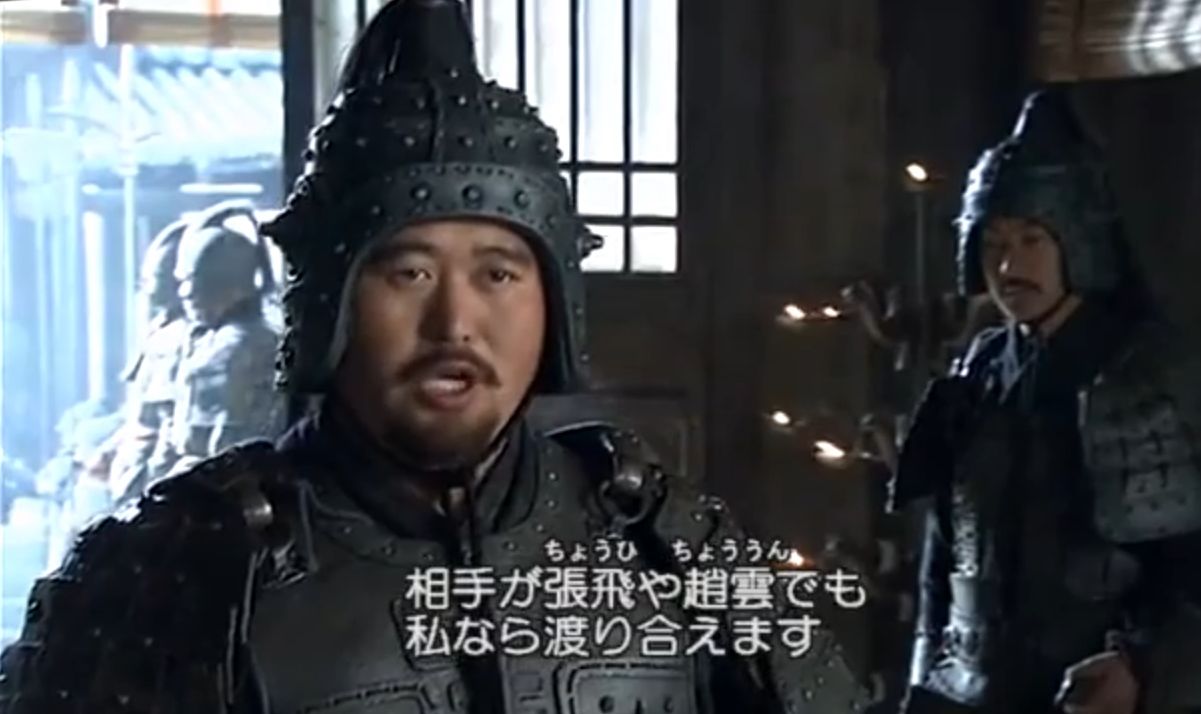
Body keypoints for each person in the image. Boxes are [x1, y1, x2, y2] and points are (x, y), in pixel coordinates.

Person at [0, 2, 870, 712]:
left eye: (499, 273)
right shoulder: (183, 566)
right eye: (408, 272)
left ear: (554, 302)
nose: (456, 322)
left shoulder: (666, 542)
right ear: (331, 299)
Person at [890, 90, 1201, 714]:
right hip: (971, 693)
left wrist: (1141, 664)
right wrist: (924, 686)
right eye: (994, 244)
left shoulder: (1154, 374)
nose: (1008, 266)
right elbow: (944, 558)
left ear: (1078, 242)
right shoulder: (977, 372)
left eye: (1031, 240)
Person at [147, 199, 285, 482]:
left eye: (196, 283)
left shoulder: (234, 349)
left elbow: (217, 447)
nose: (186, 295)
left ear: (231, 285)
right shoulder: (219, 341)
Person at [102, 217, 190, 503]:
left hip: (151, 479)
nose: (149, 288)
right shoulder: (161, 331)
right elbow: (139, 414)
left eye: (156, 278)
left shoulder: (178, 339)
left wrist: (151, 480)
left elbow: (166, 423)